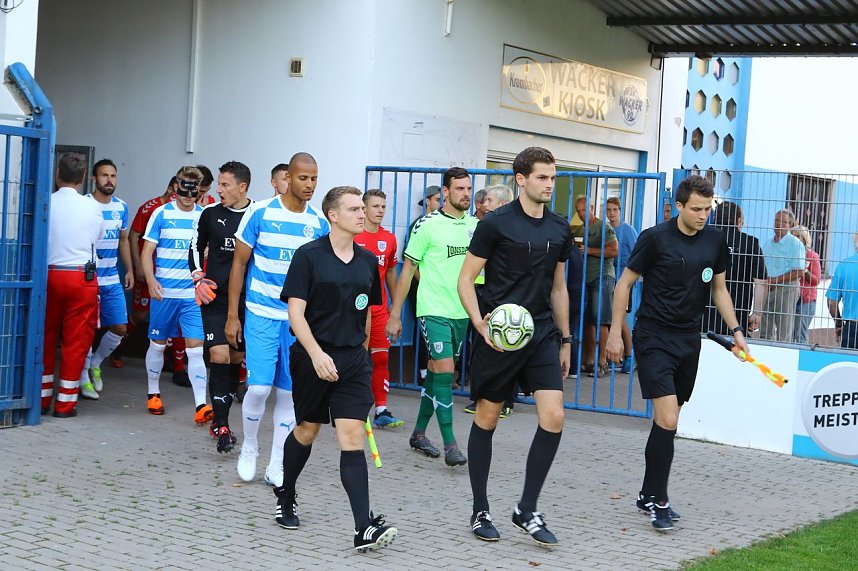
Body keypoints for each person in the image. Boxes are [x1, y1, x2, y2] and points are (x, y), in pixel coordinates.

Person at [606, 175, 749, 532]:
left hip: (689, 340)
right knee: (667, 417)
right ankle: (659, 501)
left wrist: (736, 331)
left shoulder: (716, 241)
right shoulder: (655, 238)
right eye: (697, 209)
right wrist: (614, 332)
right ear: (679, 206)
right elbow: (624, 283)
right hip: (653, 335)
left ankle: (646, 492)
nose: (703, 215)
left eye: (708, 209)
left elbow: (719, 289)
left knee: (667, 422)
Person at [457, 147, 572, 546]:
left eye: (553, 178)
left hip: (540, 333)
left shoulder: (559, 229)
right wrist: (479, 324)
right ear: (521, 179)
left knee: (553, 416)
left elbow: (559, 288)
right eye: (542, 177)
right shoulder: (495, 224)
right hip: (500, 338)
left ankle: (526, 508)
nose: (549, 185)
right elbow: (466, 279)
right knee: (487, 418)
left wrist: (566, 338)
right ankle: (480, 509)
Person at [275, 186, 397, 552]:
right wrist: (316, 355)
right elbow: (295, 312)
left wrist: (358, 356)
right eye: (354, 209)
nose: (363, 214)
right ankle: (287, 491)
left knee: (351, 438)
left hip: (352, 361)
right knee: (307, 430)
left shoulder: (366, 262)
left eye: (364, 208)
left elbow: (365, 314)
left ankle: (364, 528)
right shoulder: (309, 256)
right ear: (333, 215)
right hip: (313, 357)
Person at [227, 152, 329, 487]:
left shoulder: (318, 224)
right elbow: (239, 265)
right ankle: (250, 446)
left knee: (288, 395)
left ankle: (277, 462)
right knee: (257, 388)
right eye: (303, 178)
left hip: (297, 322)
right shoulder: (260, 212)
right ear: (288, 177)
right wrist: (232, 315)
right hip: (260, 313)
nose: (310, 185)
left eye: (314, 179)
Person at [387, 168, 477, 467]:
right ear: (446, 192)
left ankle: (418, 433)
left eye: (468, 188)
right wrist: (395, 314)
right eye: (459, 188)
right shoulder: (426, 225)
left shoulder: (476, 227)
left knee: (436, 374)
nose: (465, 193)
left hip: (462, 313)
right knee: (447, 371)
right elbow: (407, 271)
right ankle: (451, 444)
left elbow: (479, 277)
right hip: (433, 309)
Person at [189, 161, 253, 453]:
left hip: (245, 301)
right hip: (215, 298)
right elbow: (194, 247)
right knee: (218, 354)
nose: (219, 189)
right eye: (219, 184)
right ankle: (223, 426)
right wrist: (197, 278)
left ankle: (221, 418)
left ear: (242, 187)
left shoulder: (256, 216)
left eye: (225, 185)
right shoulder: (209, 214)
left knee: (235, 359)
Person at [141, 166, 211, 422]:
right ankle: (153, 393)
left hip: (191, 296)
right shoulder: (161, 214)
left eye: (194, 189)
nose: (188, 194)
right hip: (164, 293)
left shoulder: (205, 216)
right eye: (184, 187)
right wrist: (150, 281)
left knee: (195, 349)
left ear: (200, 190)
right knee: (157, 345)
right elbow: (147, 251)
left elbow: (210, 251)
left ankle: (201, 405)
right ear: (175, 187)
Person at [41, 153, 104, 418]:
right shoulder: (92, 207)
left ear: (58, 175)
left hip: (49, 275)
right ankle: (65, 403)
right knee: (76, 342)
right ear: (83, 179)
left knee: (43, 337)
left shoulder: (46, 202)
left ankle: (40, 399)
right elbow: (97, 239)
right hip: (82, 278)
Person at [79, 159, 134, 400]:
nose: (109, 180)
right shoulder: (85, 205)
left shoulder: (121, 206)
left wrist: (130, 270)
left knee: (120, 327)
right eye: (104, 175)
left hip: (112, 276)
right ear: (94, 178)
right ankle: (82, 377)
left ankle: (95, 364)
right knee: (86, 330)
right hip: (87, 277)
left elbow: (123, 239)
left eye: (113, 175)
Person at [129, 176, 189, 387]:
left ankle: (178, 366)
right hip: (149, 273)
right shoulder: (152, 209)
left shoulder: (190, 212)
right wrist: (137, 266)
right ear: (172, 187)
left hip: (175, 279)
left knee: (180, 321)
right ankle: (120, 343)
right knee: (142, 314)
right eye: (181, 190)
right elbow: (133, 235)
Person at [463, 184, 516, 416]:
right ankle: (485, 398)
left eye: (489, 201)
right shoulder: (486, 226)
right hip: (484, 291)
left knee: (505, 344)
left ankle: (505, 400)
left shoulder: (506, 228)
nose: (484, 205)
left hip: (501, 294)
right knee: (486, 345)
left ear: (502, 204)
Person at [354, 189, 402, 428]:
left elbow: (392, 272)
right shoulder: (354, 236)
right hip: (355, 311)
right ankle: (351, 406)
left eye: (383, 206)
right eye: (375, 206)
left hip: (380, 309)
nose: (380, 211)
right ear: (364, 208)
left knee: (381, 358)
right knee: (355, 358)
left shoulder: (389, 239)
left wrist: (395, 311)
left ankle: (381, 410)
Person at [704, 201, 768, 336]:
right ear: (739, 220)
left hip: (703, 313)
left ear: (715, 218)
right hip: (737, 314)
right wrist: (757, 313)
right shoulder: (751, 243)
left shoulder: (703, 238)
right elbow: (760, 282)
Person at [573, 196, 618, 377]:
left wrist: (589, 251)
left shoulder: (603, 227)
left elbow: (614, 251)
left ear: (592, 208)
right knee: (588, 322)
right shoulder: (582, 228)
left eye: (584, 210)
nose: (582, 214)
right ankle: (590, 361)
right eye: (578, 211)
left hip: (603, 277)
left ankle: (602, 362)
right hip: (586, 279)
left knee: (601, 320)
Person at [406, 185, 442, 384]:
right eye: (437, 200)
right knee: (422, 327)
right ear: (427, 201)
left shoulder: (444, 224)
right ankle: (422, 372)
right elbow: (412, 262)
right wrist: (427, 283)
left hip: (440, 289)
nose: (440, 204)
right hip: (422, 286)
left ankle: (437, 370)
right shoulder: (418, 225)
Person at [760, 209, 805, 342]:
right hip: (767, 288)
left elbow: (799, 271)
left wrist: (775, 280)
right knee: (764, 328)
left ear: (790, 225)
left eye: (784, 221)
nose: (779, 224)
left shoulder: (796, 244)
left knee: (784, 330)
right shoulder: (767, 243)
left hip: (786, 288)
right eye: (777, 220)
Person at [605, 196, 638, 373]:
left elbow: (637, 254)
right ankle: (614, 355)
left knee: (621, 319)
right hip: (608, 279)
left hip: (624, 280)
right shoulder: (605, 229)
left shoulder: (628, 230)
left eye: (614, 210)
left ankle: (630, 356)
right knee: (610, 317)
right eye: (608, 210)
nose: (611, 213)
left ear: (620, 210)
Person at [826, 232, 858, 350]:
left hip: (851, 327)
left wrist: (838, 322)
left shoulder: (844, 265)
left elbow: (831, 302)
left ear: (856, 246)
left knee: (849, 366)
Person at [791, 226, 821, 344]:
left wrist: (804, 270)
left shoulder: (812, 256)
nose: (795, 238)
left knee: (800, 334)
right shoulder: (788, 254)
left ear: (805, 239)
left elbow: (816, 280)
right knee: (788, 333)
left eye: (798, 236)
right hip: (790, 298)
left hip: (806, 301)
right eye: (793, 235)